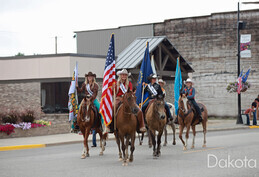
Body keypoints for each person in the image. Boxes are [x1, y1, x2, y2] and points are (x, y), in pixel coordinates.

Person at [107, 69, 146, 133]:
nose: (124, 76)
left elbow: (130, 92)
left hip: (128, 99)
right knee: (112, 108)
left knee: (139, 110)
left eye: (125, 75)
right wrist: (113, 88)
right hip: (118, 98)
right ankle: (109, 126)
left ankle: (141, 126)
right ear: (120, 75)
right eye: (123, 75)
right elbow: (113, 93)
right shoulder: (116, 83)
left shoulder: (129, 83)